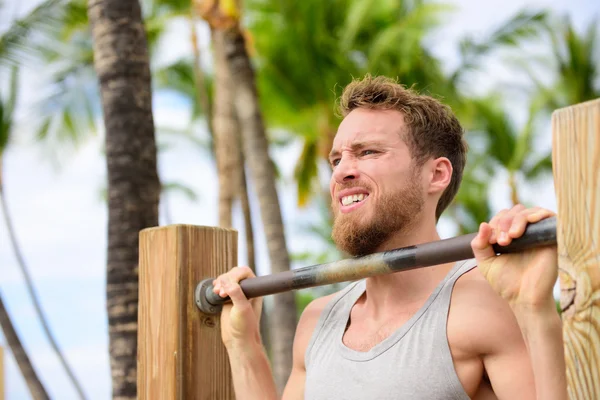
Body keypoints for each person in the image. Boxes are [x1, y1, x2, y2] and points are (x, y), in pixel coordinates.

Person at [211, 75, 567, 399]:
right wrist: (243, 344)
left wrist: (533, 310)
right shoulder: (318, 320)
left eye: (368, 152)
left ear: (436, 175)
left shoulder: (482, 304)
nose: (342, 173)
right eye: (336, 160)